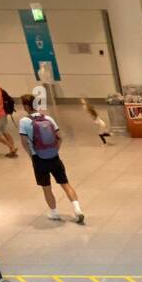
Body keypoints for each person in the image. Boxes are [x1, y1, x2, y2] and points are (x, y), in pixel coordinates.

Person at [16, 94, 85, 224]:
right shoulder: (48, 118)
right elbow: (60, 137)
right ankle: (77, 209)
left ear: (26, 106)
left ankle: (54, 212)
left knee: (46, 187)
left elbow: (24, 142)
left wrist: (32, 155)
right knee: (65, 183)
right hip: (54, 156)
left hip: (38, 158)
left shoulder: (24, 122)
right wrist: (55, 150)